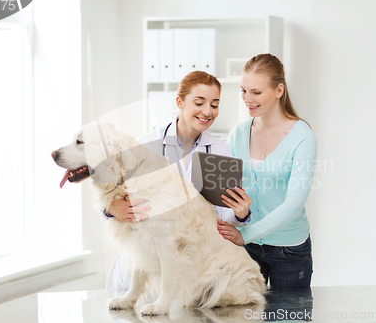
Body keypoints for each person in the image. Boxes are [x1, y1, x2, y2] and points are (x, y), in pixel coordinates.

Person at [104, 71, 253, 298]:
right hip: (143, 262)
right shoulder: (146, 144)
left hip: (188, 265)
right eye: (199, 102)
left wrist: (240, 214)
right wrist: (110, 209)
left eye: (214, 104)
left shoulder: (221, 152)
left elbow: (222, 217)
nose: (207, 111)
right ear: (180, 102)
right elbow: (108, 188)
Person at [217, 53, 317, 288]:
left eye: (256, 92)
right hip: (246, 248)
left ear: (279, 90)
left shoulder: (302, 136)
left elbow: (294, 204)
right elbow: (224, 191)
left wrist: (247, 234)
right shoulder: (238, 133)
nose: (247, 99)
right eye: (244, 90)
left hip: (289, 250)